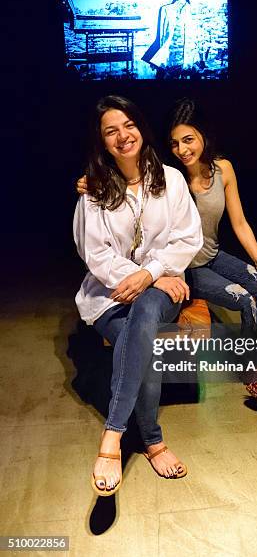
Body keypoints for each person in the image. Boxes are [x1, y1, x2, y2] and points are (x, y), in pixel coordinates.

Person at [73, 95, 203, 496]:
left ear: (141, 128)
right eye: (111, 131)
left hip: (164, 286)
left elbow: (188, 239)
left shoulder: (172, 179)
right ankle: (152, 441)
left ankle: (112, 435)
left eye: (128, 125)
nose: (122, 136)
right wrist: (142, 276)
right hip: (109, 293)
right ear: (102, 141)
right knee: (138, 331)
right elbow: (94, 253)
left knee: (146, 307)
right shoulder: (94, 189)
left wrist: (152, 274)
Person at [167, 99, 257, 423]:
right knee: (248, 300)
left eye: (188, 139)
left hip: (213, 255)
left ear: (203, 136)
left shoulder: (224, 170)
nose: (181, 149)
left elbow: (240, 224)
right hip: (185, 269)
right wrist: (91, 183)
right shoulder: (168, 178)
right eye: (175, 143)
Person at [142, 0, 199, 78]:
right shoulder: (165, 9)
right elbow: (162, 36)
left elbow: (196, 36)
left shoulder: (193, 9)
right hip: (170, 54)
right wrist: (159, 57)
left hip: (188, 54)